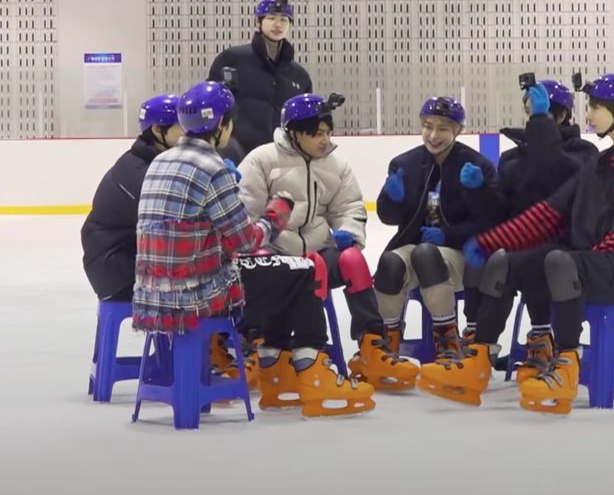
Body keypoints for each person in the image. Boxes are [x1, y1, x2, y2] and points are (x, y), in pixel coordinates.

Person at [420, 73, 614, 413]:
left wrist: (569, 261)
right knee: (504, 263)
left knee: (559, 261)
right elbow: (549, 213)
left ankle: (566, 365)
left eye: (595, 108)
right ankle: (478, 360)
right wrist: (491, 242)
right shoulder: (601, 164)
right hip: (592, 261)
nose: (588, 116)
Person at [133, 81, 374, 418]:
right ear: (221, 125)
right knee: (301, 271)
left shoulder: (161, 161)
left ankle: (274, 364)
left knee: (282, 271)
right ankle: (308, 368)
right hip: (200, 292)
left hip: (151, 293)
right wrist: (276, 216)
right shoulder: (213, 167)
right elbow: (245, 242)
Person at [238, 93, 418, 407]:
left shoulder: (337, 166)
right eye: (316, 133)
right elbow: (245, 215)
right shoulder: (261, 160)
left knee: (351, 260)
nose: (324, 140)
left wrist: (349, 231)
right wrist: (266, 246)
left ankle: (372, 347)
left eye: (327, 132)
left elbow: (349, 207)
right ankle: (265, 350)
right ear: (294, 132)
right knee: (292, 270)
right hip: (275, 254)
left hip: (318, 252)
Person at [372, 96, 506, 401]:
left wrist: (453, 229)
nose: (434, 135)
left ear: (457, 130)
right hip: (416, 248)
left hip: (457, 254)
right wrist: (390, 198)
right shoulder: (405, 163)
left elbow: (493, 220)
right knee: (391, 261)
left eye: (443, 129)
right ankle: (387, 342)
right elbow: (387, 217)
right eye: (428, 127)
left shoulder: (477, 166)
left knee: (425, 253)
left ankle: (447, 342)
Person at [462, 79, 598, 372]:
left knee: (528, 258)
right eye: (530, 112)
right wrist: (480, 190)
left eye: (541, 113)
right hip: (520, 239)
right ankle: (478, 342)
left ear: (561, 116)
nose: (531, 118)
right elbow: (501, 211)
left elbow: (551, 171)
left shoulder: (583, 154)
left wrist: (541, 125)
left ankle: (543, 337)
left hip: (565, 243)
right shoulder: (512, 159)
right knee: (486, 260)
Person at [81, 94, 182, 302]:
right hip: (114, 275)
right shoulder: (140, 173)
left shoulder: (147, 162)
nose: (190, 131)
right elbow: (172, 225)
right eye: (181, 125)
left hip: (119, 262)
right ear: (157, 130)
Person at [207, 0, 311, 165]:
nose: (278, 24)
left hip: (280, 160)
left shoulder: (299, 75)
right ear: (258, 22)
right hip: (235, 154)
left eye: (284, 20)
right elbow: (210, 105)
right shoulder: (232, 59)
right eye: (271, 18)